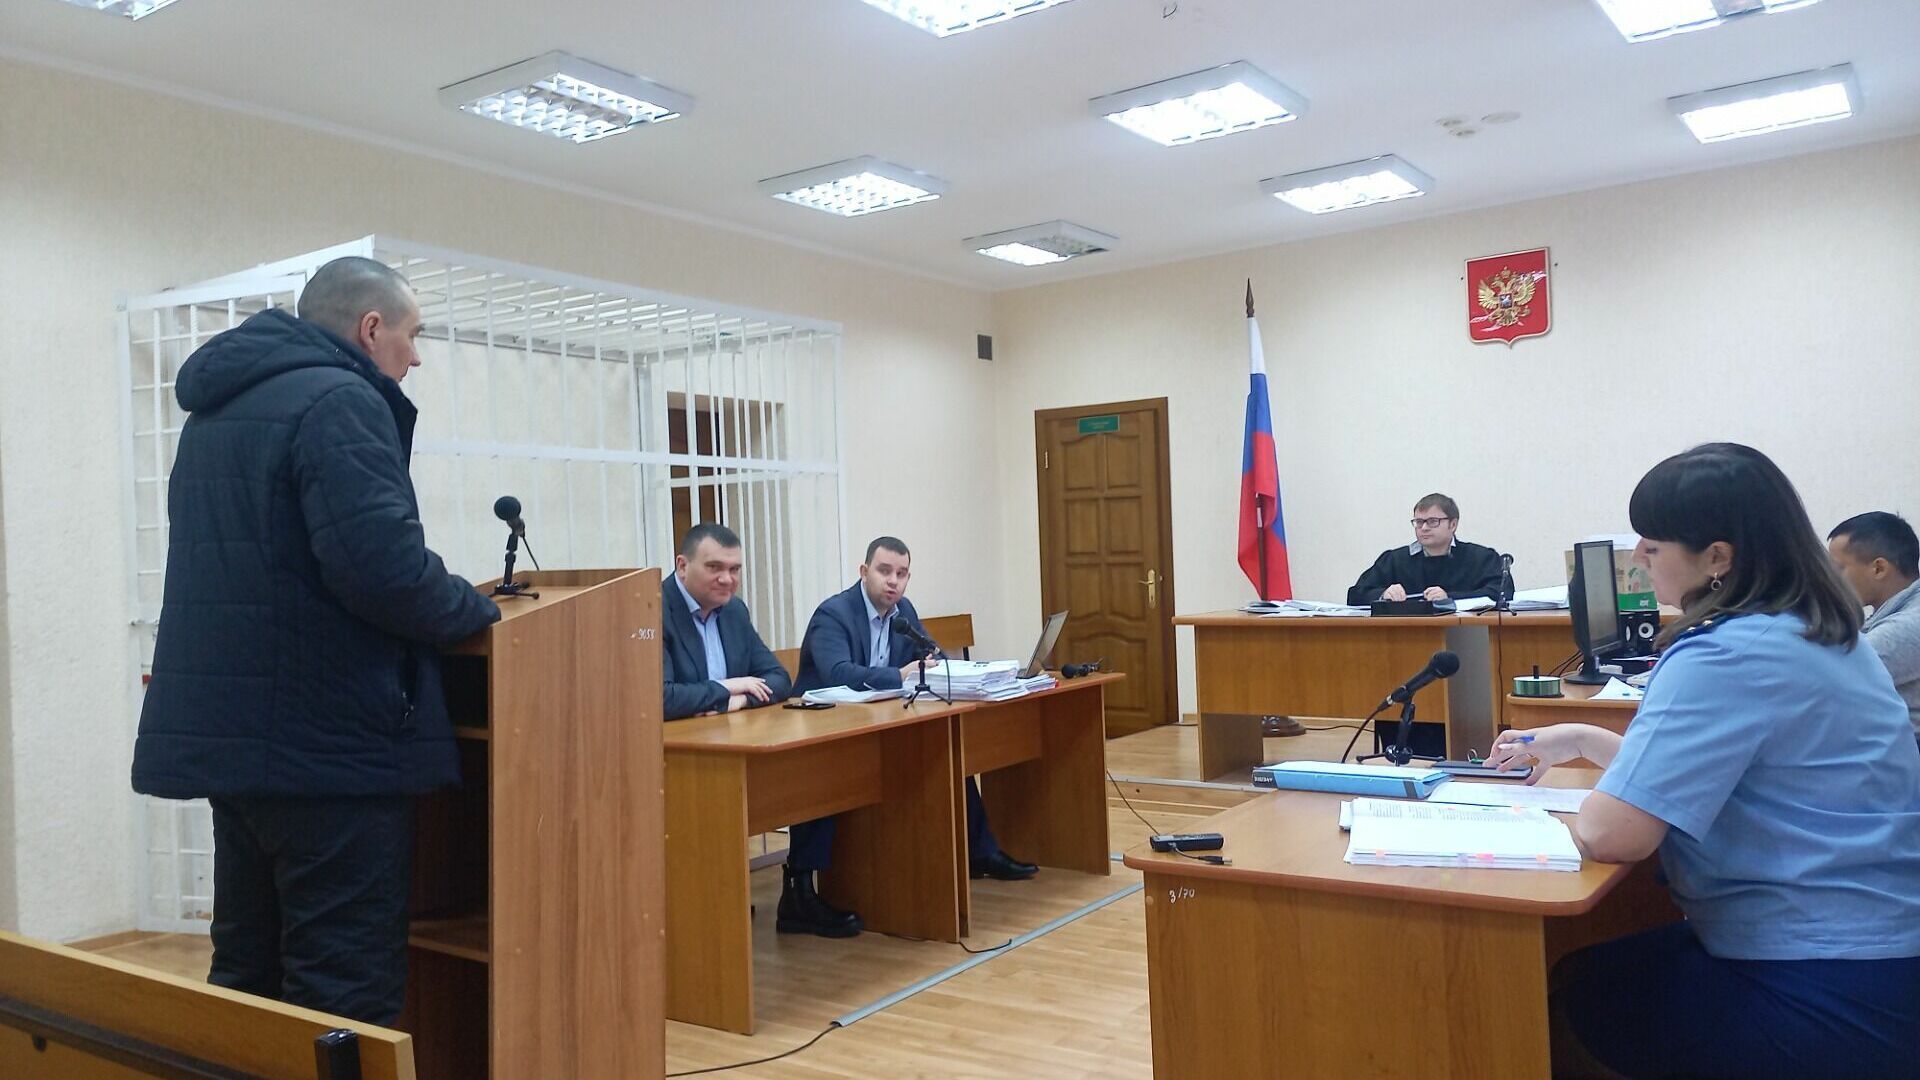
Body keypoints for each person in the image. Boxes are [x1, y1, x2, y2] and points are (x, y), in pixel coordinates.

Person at [131, 257, 502, 1025]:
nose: (415, 357)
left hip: (243, 746)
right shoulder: (340, 400)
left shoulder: (219, 411)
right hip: (329, 749)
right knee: (342, 989)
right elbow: (381, 570)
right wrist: (475, 609)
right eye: (412, 335)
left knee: (248, 969)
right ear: (370, 328)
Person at [1484, 444, 1920, 1079]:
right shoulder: (1816, 630)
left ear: (1717, 557)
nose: (1639, 556)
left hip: (1822, 981)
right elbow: (1723, 779)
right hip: (1882, 956)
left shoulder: (1724, 652)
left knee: (1539, 1011)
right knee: (1581, 970)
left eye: (1653, 545)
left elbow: (1614, 833)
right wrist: (1580, 736)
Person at [783, 537, 1037, 937]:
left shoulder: (903, 612)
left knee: (944, 749)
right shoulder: (833, 614)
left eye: (901, 574)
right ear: (864, 572)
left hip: (876, 721)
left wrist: (942, 666)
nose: (893, 582)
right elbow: (837, 672)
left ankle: (980, 852)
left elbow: (931, 653)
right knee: (826, 779)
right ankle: (800, 891)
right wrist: (898, 675)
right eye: (884, 571)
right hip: (821, 730)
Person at [661, 523, 792, 721]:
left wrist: (742, 700)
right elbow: (662, 699)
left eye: (734, 569)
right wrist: (728, 687)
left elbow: (779, 679)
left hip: (731, 730)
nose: (727, 579)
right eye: (714, 567)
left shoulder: (734, 610)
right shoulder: (653, 610)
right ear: (682, 566)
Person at [1828, 511, 1920, 741]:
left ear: (1879, 569)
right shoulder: (1890, 613)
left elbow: (1826, 675)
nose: (1829, 580)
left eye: (1838, 569)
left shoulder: (1910, 624)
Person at [1345, 493, 1504, 605]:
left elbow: (1501, 592)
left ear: (1453, 524)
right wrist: (1383, 594)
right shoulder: (1395, 560)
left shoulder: (1481, 558)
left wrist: (1450, 598)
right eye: (1419, 522)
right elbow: (1356, 594)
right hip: (1406, 635)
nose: (1424, 528)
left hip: (1468, 635)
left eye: (1433, 521)